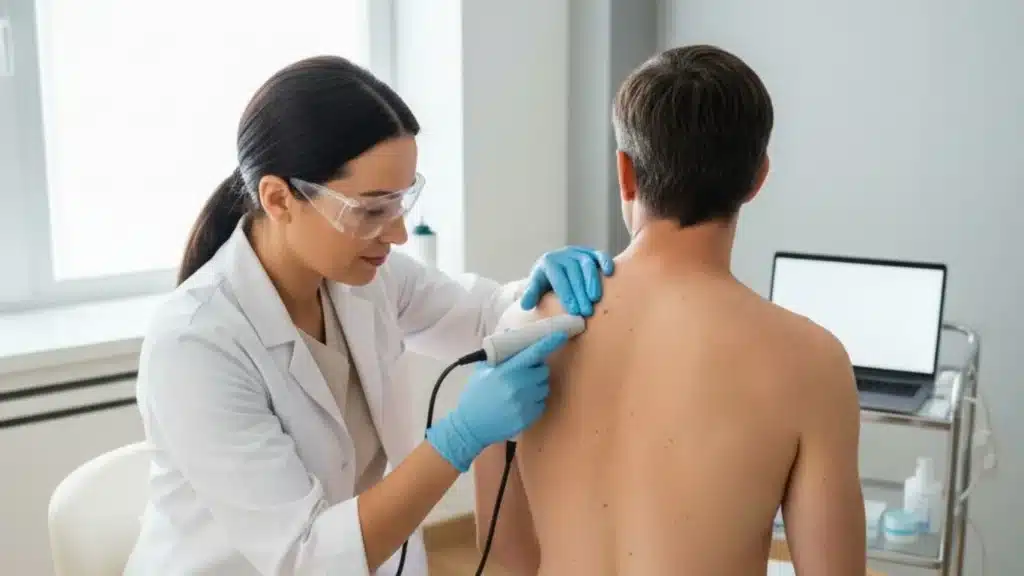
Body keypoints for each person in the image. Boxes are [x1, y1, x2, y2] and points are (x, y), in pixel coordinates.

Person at [123, 55, 614, 576]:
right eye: (371, 209)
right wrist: (459, 437)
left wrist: (538, 289)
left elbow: (484, 315)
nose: (398, 233)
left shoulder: (362, 279)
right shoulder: (195, 344)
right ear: (278, 198)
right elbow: (305, 558)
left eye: (402, 203)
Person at [474, 45, 867, 575]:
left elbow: (505, 561)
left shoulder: (520, 331)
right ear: (757, 178)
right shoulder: (812, 362)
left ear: (625, 172)